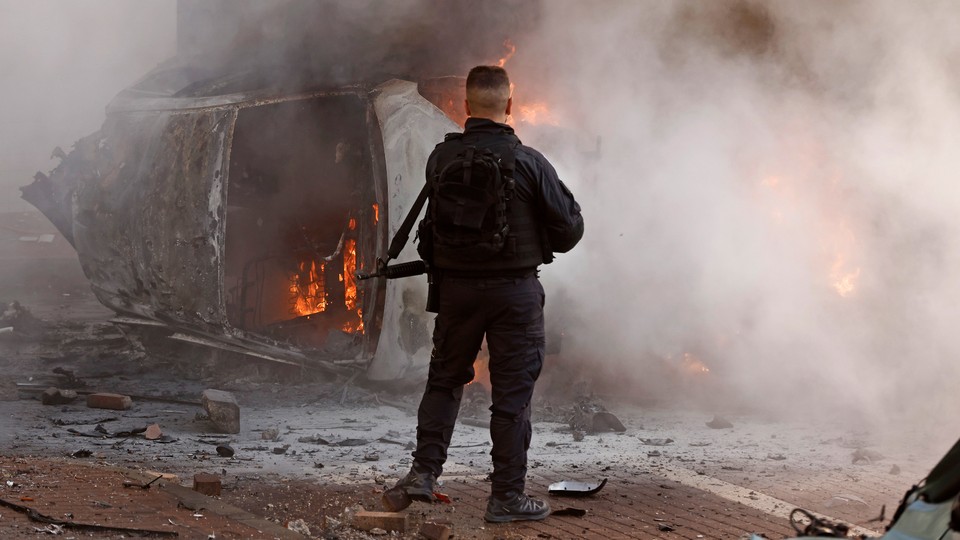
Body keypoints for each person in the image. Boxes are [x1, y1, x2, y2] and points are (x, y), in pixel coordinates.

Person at [389, 65, 584, 523]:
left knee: (444, 380)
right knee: (512, 396)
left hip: (456, 293)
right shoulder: (530, 161)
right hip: (515, 293)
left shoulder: (440, 159)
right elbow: (570, 231)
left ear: (464, 106)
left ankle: (423, 473)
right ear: (510, 106)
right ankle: (506, 498)